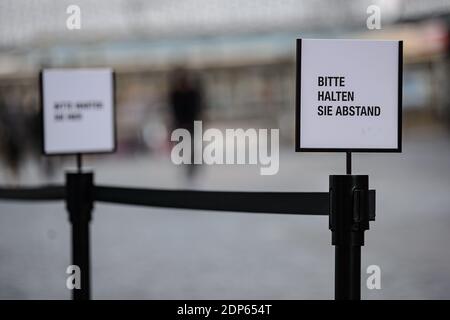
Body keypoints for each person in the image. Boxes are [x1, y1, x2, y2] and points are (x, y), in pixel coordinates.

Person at [168, 67, 204, 179]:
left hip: (188, 127)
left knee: (190, 147)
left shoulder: (188, 94)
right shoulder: (178, 95)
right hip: (183, 127)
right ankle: (190, 166)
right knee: (187, 148)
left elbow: (197, 107)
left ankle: (191, 166)